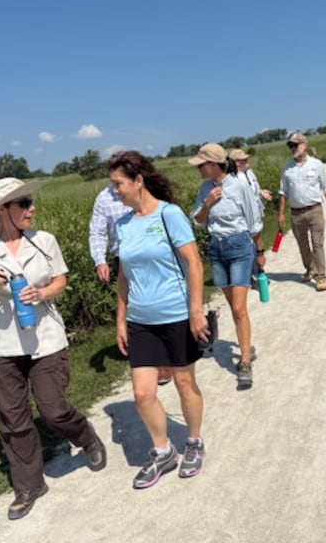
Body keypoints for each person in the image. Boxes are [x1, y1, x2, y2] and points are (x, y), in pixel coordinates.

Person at [0, 177, 106, 520]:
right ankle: (29, 485)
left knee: (53, 409)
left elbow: (60, 280)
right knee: (12, 418)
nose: (31, 208)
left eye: (30, 202)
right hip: (0, 344)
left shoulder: (43, 240)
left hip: (45, 337)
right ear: (1, 209)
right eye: (23, 203)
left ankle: (86, 437)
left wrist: (42, 293)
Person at [109, 151, 208, 489]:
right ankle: (163, 450)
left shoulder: (169, 215)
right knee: (142, 393)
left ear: (138, 181)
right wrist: (121, 320)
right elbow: (123, 276)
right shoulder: (122, 225)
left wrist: (196, 311)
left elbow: (194, 263)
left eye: (118, 184)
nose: (115, 191)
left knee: (184, 383)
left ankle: (194, 442)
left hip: (176, 315)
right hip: (140, 320)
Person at [190, 143, 264, 388]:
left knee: (240, 308)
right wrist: (207, 203)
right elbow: (198, 222)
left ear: (213, 164)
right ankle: (246, 345)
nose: (199, 169)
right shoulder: (205, 189)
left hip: (239, 246)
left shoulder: (239, 185)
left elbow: (254, 221)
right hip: (216, 249)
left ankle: (245, 362)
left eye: (201, 165)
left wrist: (259, 252)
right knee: (233, 306)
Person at [89, 183, 173, 386]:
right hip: (124, 259)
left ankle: (164, 359)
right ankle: (149, 356)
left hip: (152, 254)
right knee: (136, 307)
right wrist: (100, 260)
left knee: (158, 303)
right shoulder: (104, 198)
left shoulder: (147, 189)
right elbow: (97, 232)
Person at [278, 132, 326, 292]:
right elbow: (283, 192)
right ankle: (310, 268)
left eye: (295, 145)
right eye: (291, 146)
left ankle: (321, 276)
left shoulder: (317, 165)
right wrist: (281, 214)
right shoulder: (287, 169)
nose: (293, 148)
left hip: (314, 210)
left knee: (317, 244)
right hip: (296, 213)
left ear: (304, 145)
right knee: (302, 245)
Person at [229, 147, 271, 288]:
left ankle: (259, 273)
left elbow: (253, 190)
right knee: (249, 247)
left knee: (257, 245)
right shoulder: (233, 179)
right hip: (244, 218)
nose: (247, 161)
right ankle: (253, 276)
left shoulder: (249, 173)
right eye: (244, 159)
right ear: (236, 162)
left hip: (256, 214)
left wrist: (261, 192)